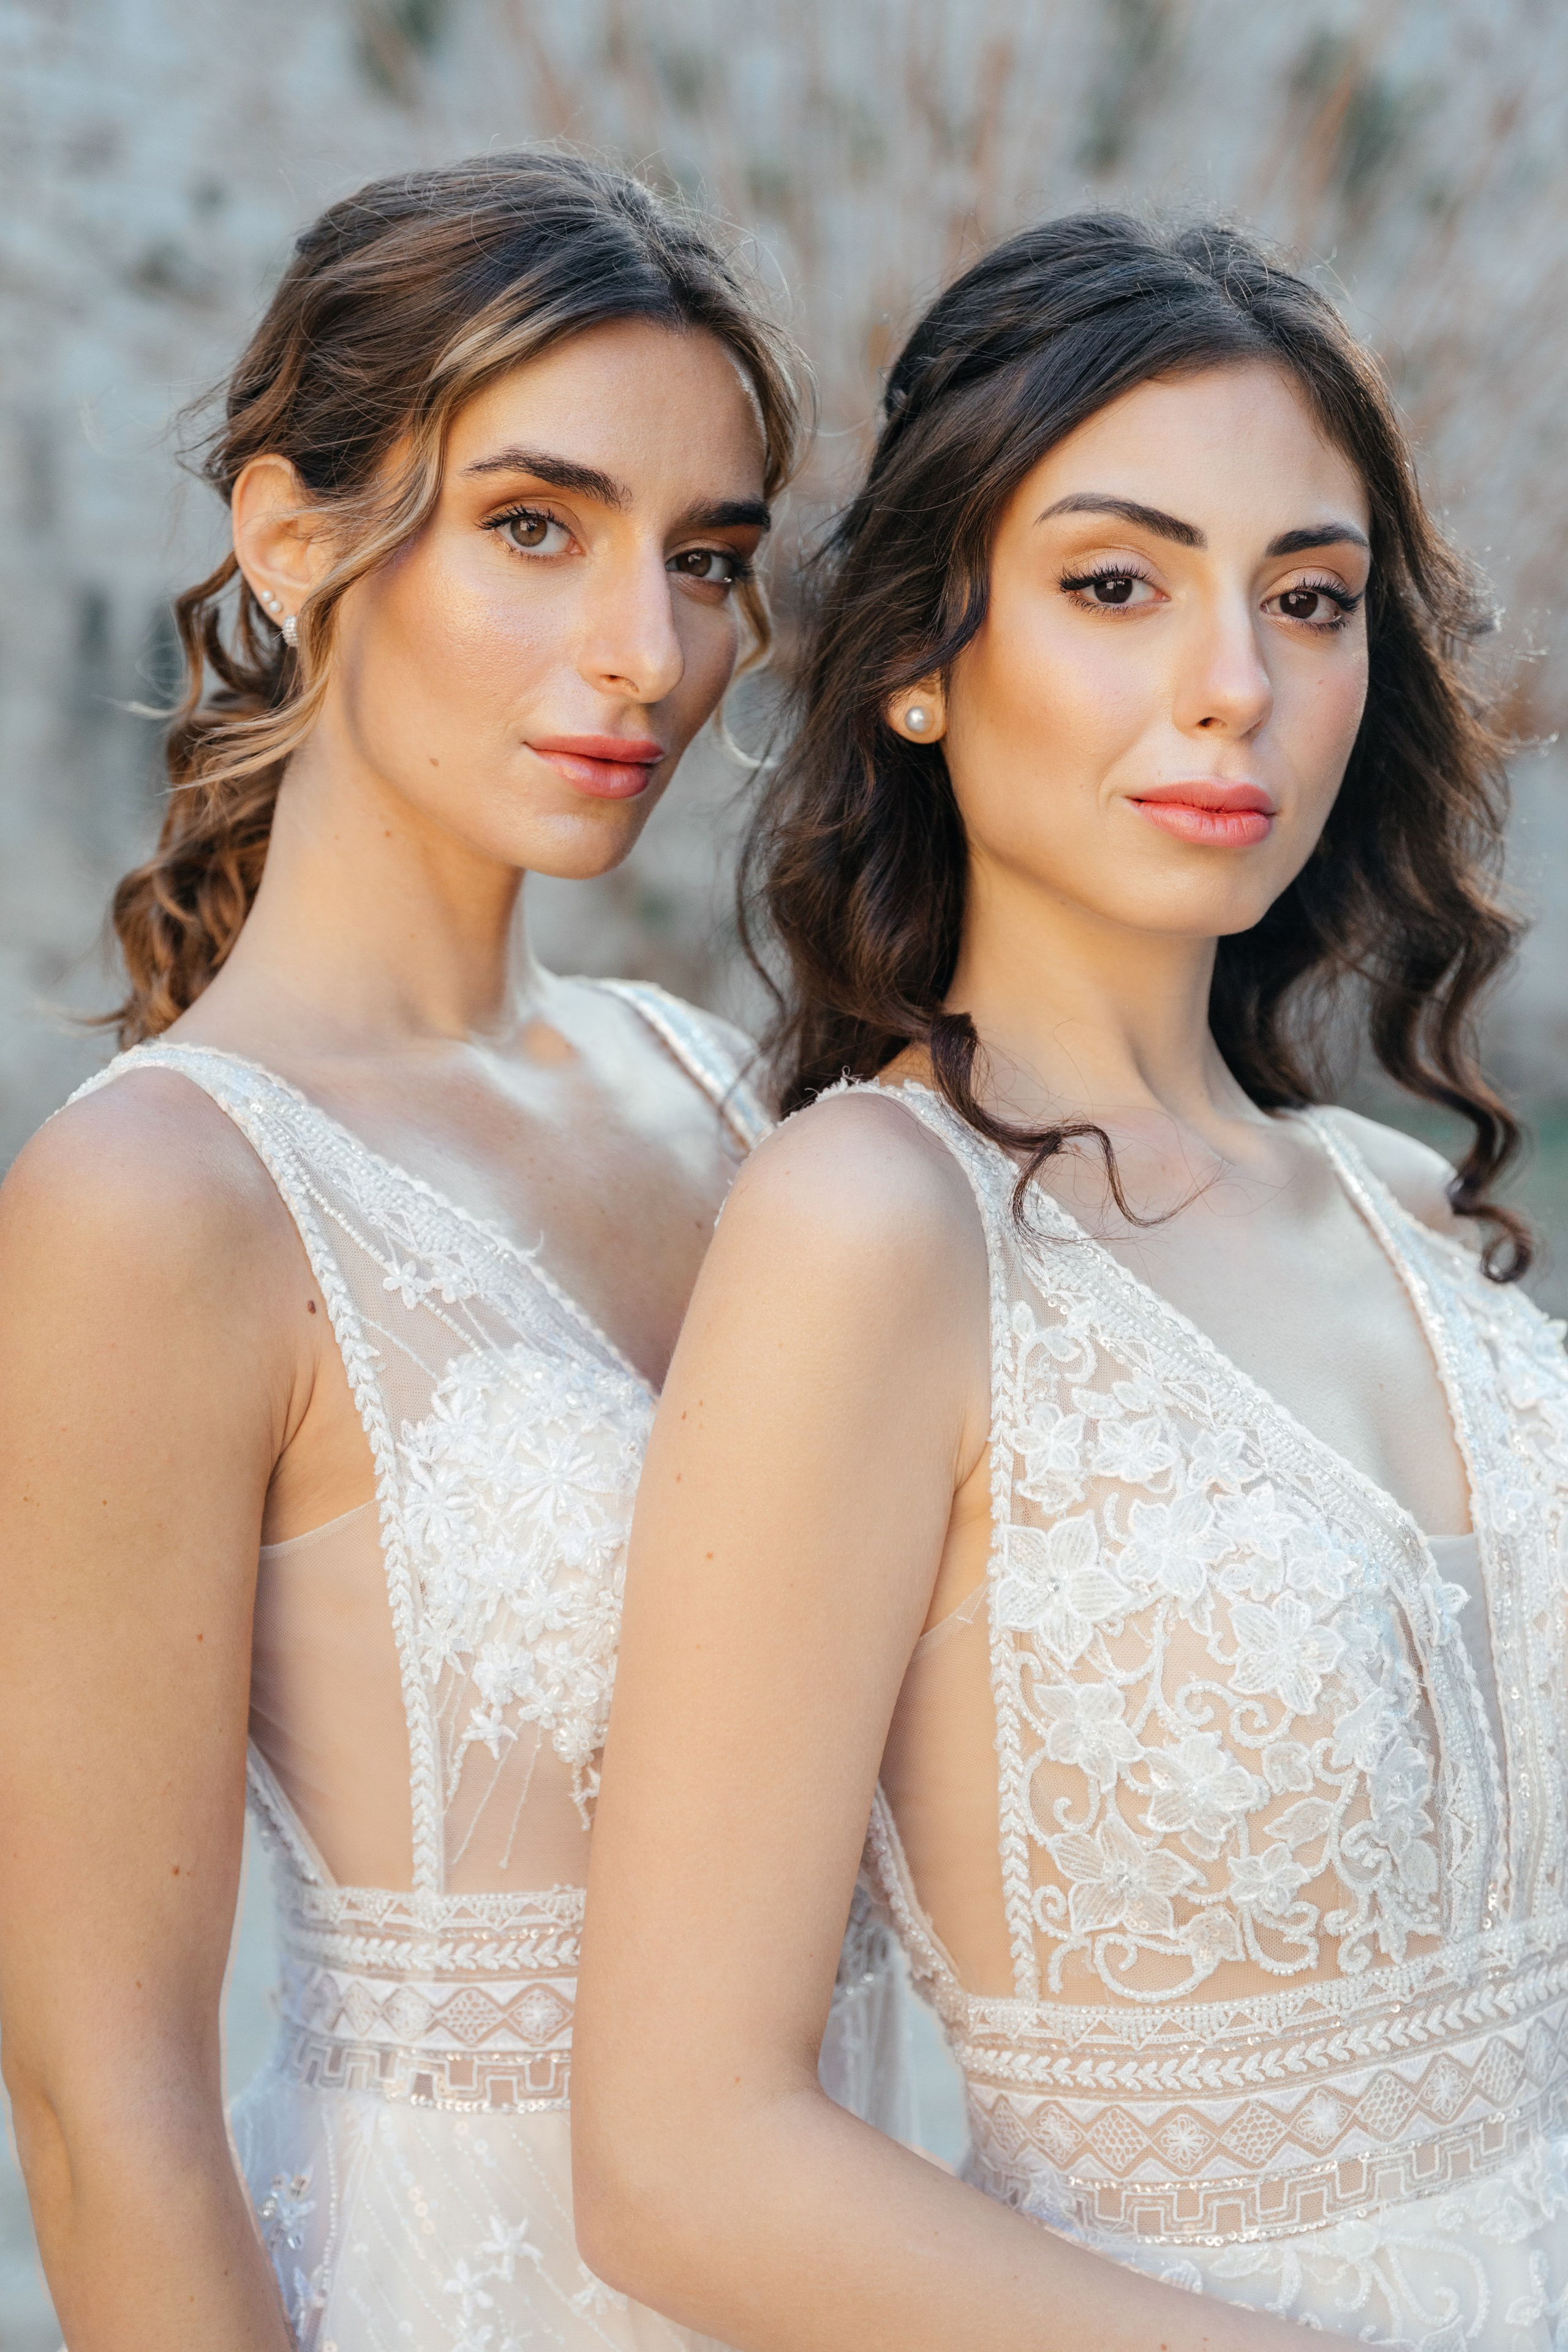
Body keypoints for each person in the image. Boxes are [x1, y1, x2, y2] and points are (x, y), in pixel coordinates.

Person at [572, 213, 1568, 2350]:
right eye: (1119, 584)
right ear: (927, 654)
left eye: (1308, 599)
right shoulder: (871, 1231)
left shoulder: (1400, 1209)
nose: (1238, 679)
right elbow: (678, 2162)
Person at [0, 151, 908, 2352]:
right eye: (534, 526)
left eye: (704, 561)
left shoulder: (711, 1094)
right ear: (290, 532)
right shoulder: (160, 1205)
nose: (648, 649)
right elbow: (100, 2094)